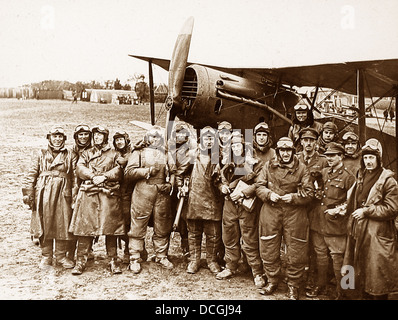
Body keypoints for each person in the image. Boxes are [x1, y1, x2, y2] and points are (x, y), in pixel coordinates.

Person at [256, 137, 314, 300]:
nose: (286, 153)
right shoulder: (268, 166)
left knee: (297, 249)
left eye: (289, 150)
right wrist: (269, 194)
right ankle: (272, 280)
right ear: (279, 152)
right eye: (283, 150)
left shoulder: (302, 168)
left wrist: (294, 197)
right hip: (271, 211)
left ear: (293, 152)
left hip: (294, 213)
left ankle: (293, 285)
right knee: (268, 246)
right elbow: (259, 186)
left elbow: (309, 193)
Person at [343, 138, 398, 300]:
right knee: (355, 268)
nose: (368, 161)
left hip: (377, 234)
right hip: (357, 229)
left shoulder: (388, 180)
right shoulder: (361, 174)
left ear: (378, 159)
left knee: (376, 273)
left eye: (372, 157)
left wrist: (367, 211)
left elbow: (392, 208)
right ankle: (352, 294)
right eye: (366, 157)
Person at [69, 125, 125, 275]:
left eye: (101, 135)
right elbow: (79, 168)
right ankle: (81, 261)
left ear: (106, 137)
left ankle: (113, 260)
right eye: (96, 135)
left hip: (108, 194)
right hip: (89, 193)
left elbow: (120, 169)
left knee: (111, 228)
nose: (97, 138)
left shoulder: (114, 153)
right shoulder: (86, 153)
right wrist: (92, 176)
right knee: (84, 228)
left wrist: (105, 176)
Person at [22, 126, 77, 269]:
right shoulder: (41, 153)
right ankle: (46, 256)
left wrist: (74, 194)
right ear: (49, 138)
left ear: (64, 139)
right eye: (54, 136)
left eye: (60, 137)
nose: (57, 139)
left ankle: (60, 256)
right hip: (43, 192)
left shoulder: (70, 154)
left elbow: (75, 176)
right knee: (43, 223)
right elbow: (31, 174)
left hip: (63, 192)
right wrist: (28, 193)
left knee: (61, 223)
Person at [305, 142, 355, 299]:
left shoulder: (348, 177)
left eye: (333, 156)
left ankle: (344, 291)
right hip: (318, 221)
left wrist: (338, 210)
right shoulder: (324, 172)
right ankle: (321, 286)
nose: (330, 158)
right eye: (327, 156)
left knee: (339, 257)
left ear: (341, 157)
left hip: (335, 223)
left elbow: (352, 202)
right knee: (320, 255)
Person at [215, 132, 265, 288]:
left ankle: (257, 271)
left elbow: (260, 183)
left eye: (238, 145)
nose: (236, 148)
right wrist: (222, 187)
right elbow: (216, 179)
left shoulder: (254, 163)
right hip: (229, 204)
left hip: (246, 205)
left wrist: (244, 192)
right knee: (229, 235)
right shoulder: (224, 163)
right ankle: (230, 266)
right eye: (233, 146)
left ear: (244, 147)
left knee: (249, 237)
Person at [124, 126, 174, 274]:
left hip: (162, 193)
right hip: (143, 191)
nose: (154, 139)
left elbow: (173, 172)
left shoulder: (166, 153)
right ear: (147, 137)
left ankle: (161, 255)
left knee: (163, 223)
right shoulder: (138, 152)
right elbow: (129, 172)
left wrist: (170, 184)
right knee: (138, 223)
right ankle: (135, 256)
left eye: (158, 137)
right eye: (152, 136)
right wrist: (146, 171)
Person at [185, 126, 223, 274]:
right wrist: (182, 185)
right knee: (194, 232)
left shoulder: (219, 157)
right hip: (194, 199)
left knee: (213, 234)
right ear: (201, 140)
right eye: (206, 138)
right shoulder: (192, 155)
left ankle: (211, 260)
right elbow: (182, 173)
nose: (209, 141)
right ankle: (194, 260)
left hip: (213, 199)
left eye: (211, 138)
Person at [296, 127, 328, 289]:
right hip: (298, 209)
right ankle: (299, 276)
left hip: (315, 209)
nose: (308, 144)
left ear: (316, 143)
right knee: (299, 243)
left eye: (312, 141)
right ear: (301, 142)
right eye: (305, 140)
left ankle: (313, 278)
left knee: (316, 246)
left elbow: (326, 183)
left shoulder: (323, 161)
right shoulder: (294, 158)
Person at [167, 122, 196, 258]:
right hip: (169, 187)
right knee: (167, 216)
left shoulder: (191, 150)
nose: (180, 136)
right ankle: (163, 250)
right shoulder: (169, 146)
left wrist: (182, 185)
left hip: (183, 187)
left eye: (183, 133)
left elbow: (187, 170)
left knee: (184, 218)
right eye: (178, 133)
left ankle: (186, 246)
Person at [67, 124, 93, 261]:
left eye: (86, 134)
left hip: (88, 187)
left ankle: (88, 249)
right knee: (72, 220)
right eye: (80, 135)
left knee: (88, 219)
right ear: (76, 136)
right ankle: (70, 253)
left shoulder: (93, 150)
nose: (83, 137)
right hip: (73, 186)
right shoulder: (71, 151)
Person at [112, 130, 133, 264]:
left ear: (126, 140)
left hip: (129, 192)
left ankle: (129, 250)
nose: (119, 142)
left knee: (128, 221)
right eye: (117, 140)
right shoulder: (113, 154)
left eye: (121, 139)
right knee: (116, 221)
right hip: (115, 192)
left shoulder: (133, 153)